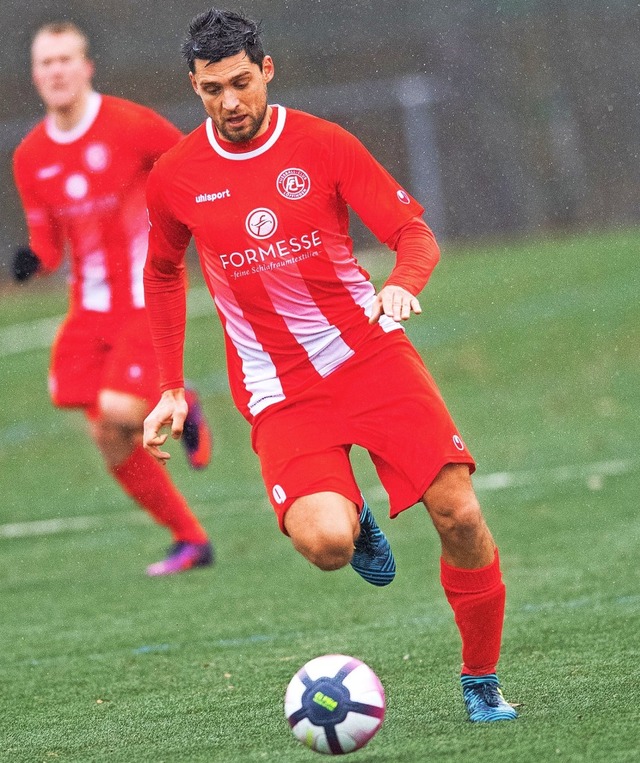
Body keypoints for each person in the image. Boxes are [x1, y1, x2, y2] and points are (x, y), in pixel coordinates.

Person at [142, 8, 518, 721]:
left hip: (370, 358)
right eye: (212, 89)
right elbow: (161, 273)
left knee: (460, 513)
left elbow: (412, 231)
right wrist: (168, 386)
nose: (231, 103)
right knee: (325, 544)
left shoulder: (323, 143)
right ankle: (353, 513)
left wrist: (404, 282)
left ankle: (481, 681)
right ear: (194, 87)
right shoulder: (176, 177)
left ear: (267, 70)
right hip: (280, 392)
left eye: (242, 83)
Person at [12, 21, 215, 576]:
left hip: (145, 298)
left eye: (64, 59)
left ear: (86, 66)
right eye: (44, 62)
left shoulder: (129, 124)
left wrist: (196, 224)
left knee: (122, 410)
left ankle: (184, 399)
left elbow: (191, 166)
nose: (55, 71)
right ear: (35, 74)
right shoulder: (31, 156)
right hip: (89, 310)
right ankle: (191, 539)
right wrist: (30, 261)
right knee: (105, 431)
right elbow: (48, 246)